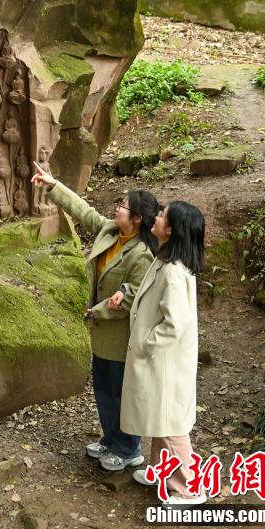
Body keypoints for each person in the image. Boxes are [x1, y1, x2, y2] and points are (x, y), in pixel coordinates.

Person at [31, 160, 159, 472]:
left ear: (138, 219)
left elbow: (132, 297)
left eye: (124, 206)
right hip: (101, 332)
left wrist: (96, 310)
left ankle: (129, 449)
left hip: (121, 336)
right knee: (103, 390)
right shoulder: (111, 232)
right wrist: (52, 185)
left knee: (120, 393)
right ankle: (110, 439)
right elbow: (84, 211)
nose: (118, 209)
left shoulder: (142, 254)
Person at [109, 201, 206, 506]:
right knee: (159, 419)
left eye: (163, 215)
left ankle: (189, 490)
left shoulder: (174, 272)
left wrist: (147, 343)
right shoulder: (166, 259)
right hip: (161, 360)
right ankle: (163, 473)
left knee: (171, 424)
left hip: (164, 361)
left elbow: (174, 324)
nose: (157, 217)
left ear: (172, 229)